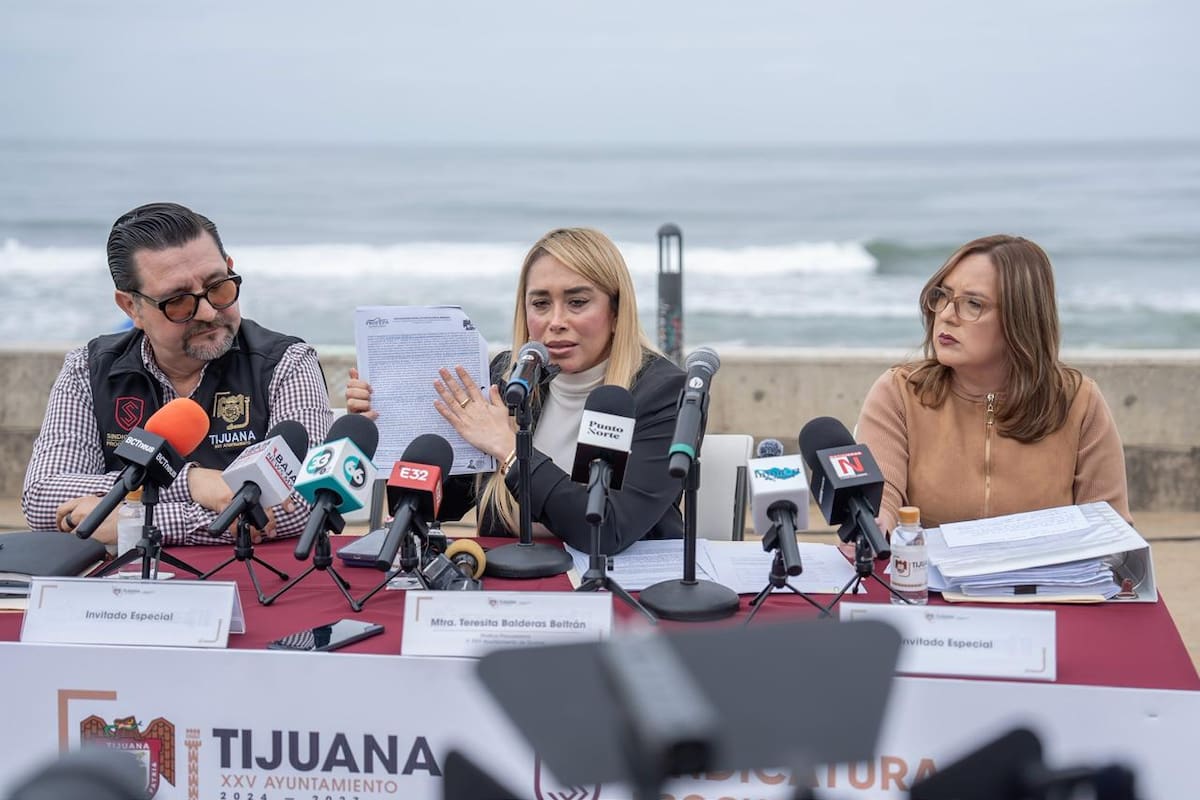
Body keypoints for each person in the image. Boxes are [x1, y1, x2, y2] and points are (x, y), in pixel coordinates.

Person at [345, 227, 685, 554]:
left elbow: (606, 531)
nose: (556, 321)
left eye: (577, 302)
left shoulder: (663, 391)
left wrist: (510, 451)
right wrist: (391, 427)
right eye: (540, 304)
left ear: (616, 311)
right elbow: (442, 505)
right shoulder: (511, 377)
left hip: (621, 588)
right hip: (510, 580)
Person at [22, 203, 333, 545]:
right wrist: (194, 484)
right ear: (131, 307)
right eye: (179, 301)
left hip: (249, 581)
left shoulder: (287, 363)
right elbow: (42, 495)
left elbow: (303, 503)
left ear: (230, 268)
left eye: (218, 286)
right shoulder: (87, 370)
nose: (208, 310)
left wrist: (133, 524)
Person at [855, 234, 1131, 534]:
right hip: (927, 578)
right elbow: (882, 500)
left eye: (973, 304)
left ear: (1020, 318)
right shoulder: (900, 393)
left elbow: (1110, 531)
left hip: (1046, 581)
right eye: (943, 296)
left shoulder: (1078, 401)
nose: (946, 315)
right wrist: (874, 523)